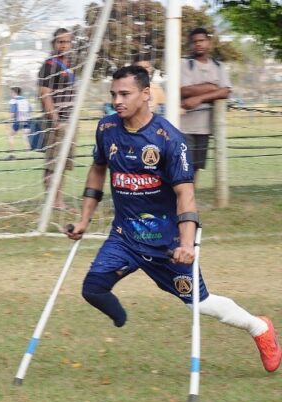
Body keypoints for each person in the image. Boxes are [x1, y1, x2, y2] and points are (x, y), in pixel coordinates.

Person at [66, 65, 277, 374]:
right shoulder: (106, 129)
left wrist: (187, 243)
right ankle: (122, 320)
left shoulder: (169, 139)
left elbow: (185, 195)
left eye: (125, 94)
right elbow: (98, 169)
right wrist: (83, 220)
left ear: (146, 94)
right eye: (114, 94)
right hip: (124, 236)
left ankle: (259, 328)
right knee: (93, 288)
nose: (117, 101)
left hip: (168, 243)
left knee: (200, 304)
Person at [180, 27, 231, 182]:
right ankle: (178, 202)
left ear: (208, 42)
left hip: (205, 127)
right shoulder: (184, 64)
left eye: (201, 40)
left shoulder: (218, 67)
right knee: (183, 165)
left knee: (195, 167)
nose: (198, 44)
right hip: (184, 126)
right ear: (190, 44)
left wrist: (199, 99)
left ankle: (190, 201)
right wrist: (212, 88)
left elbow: (225, 92)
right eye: (195, 42)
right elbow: (183, 91)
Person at [38, 27, 77, 211]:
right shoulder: (49, 65)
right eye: (60, 41)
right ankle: (52, 201)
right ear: (53, 43)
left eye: (67, 41)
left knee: (63, 163)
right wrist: (55, 120)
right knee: (53, 162)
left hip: (70, 120)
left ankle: (59, 200)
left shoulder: (70, 65)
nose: (64, 45)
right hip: (57, 120)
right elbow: (45, 94)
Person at [7, 86, 32, 158]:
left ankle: (12, 154)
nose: (10, 94)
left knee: (10, 135)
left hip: (18, 121)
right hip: (27, 120)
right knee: (25, 136)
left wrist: (8, 121)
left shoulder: (13, 100)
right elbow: (30, 110)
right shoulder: (26, 100)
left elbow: (13, 113)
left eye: (11, 92)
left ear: (14, 92)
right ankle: (27, 155)